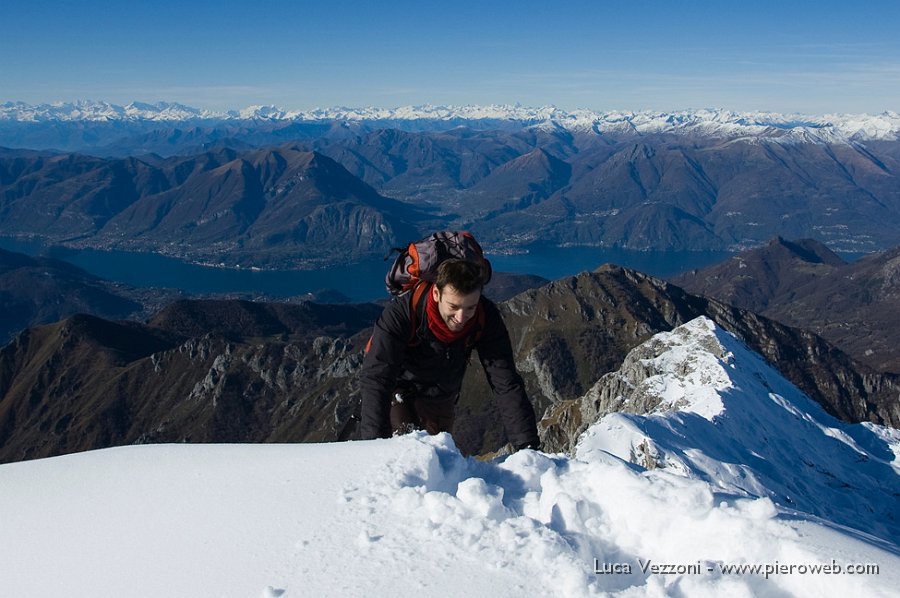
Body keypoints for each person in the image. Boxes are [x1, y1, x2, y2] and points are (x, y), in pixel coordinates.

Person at [358, 258, 540, 451]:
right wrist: (374, 448)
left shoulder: (485, 316)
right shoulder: (402, 314)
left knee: (440, 458)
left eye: (470, 307)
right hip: (398, 391)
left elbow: (506, 382)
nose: (461, 318)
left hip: (442, 397)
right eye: (453, 307)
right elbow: (376, 379)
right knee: (409, 453)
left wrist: (527, 446)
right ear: (436, 293)